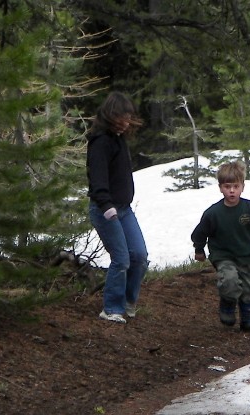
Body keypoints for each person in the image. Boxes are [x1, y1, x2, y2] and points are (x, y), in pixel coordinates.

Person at [191, 160, 250, 333]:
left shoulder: (249, 207)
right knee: (229, 281)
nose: (231, 190)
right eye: (227, 186)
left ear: (242, 187)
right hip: (223, 256)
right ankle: (227, 305)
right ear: (220, 188)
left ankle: (249, 321)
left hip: (246, 256)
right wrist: (199, 249)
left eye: (235, 186)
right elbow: (199, 233)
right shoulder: (213, 213)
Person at [86, 91, 148, 324]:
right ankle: (111, 307)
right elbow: (97, 178)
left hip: (124, 208)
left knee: (140, 256)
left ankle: (128, 302)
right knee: (121, 258)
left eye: (128, 118)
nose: (126, 123)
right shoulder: (100, 142)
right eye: (122, 118)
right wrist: (106, 205)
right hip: (106, 210)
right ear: (111, 116)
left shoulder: (119, 139)